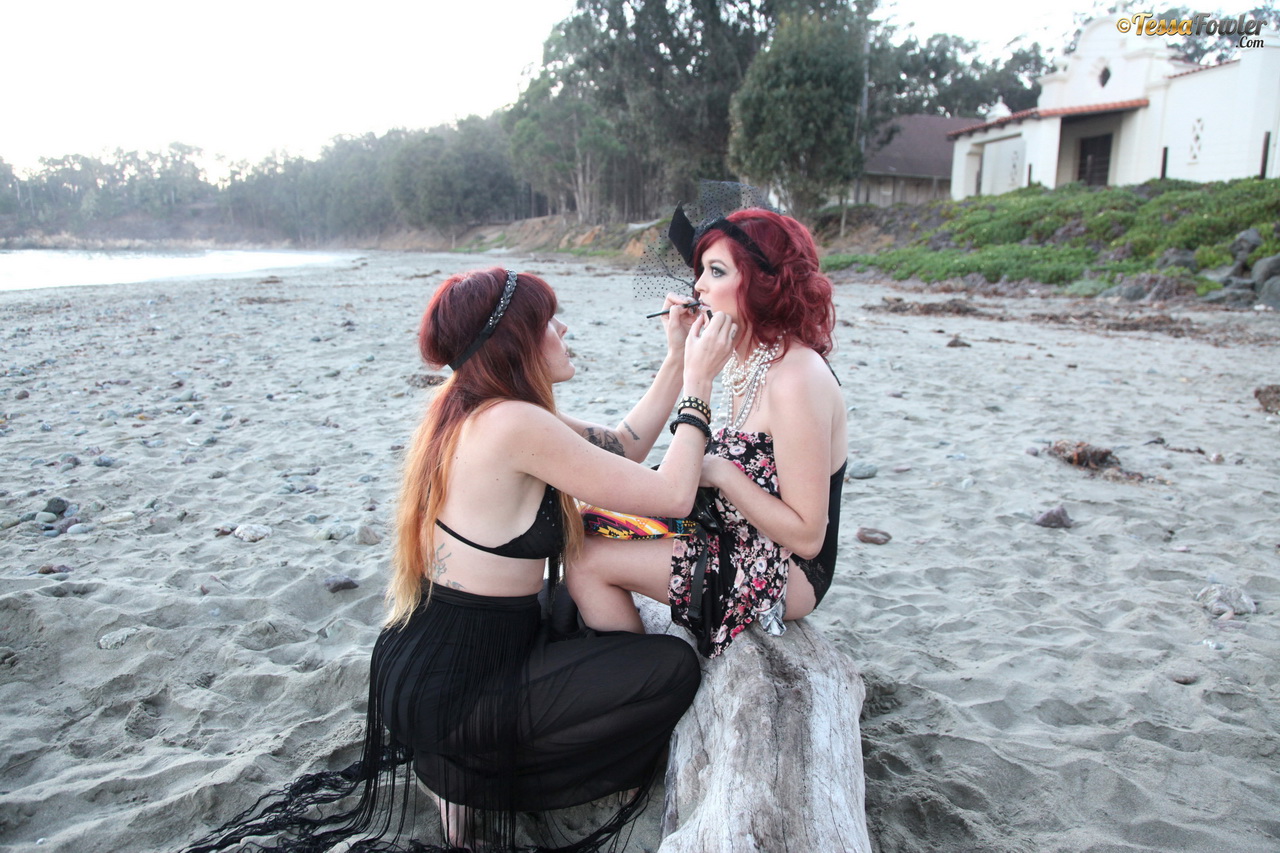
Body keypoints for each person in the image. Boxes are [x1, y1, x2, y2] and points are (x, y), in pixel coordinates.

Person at [184, 268, 736, 853]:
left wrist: (677, 355)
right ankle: (467, 774)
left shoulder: (474, 404)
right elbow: (673, 494)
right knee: (671, 667)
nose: (564, 328)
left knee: (576, 602)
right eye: (549, 320)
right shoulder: (514, 423)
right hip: (462, 685)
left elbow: (623, 446)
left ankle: (458, 771)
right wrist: (700, 384)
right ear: (518, 340)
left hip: (427, 659)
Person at [568, 207, 848, 658]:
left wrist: (720, 473)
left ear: (762, 282)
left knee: (586, 562)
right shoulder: (745, 357)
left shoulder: (797, 379)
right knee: (586, 522)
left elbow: (808, 537)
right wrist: (680, 353)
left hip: (786, 568)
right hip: (729, 530)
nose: (697, 285)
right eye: (699, 270)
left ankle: (639, 686)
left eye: (715, 271)